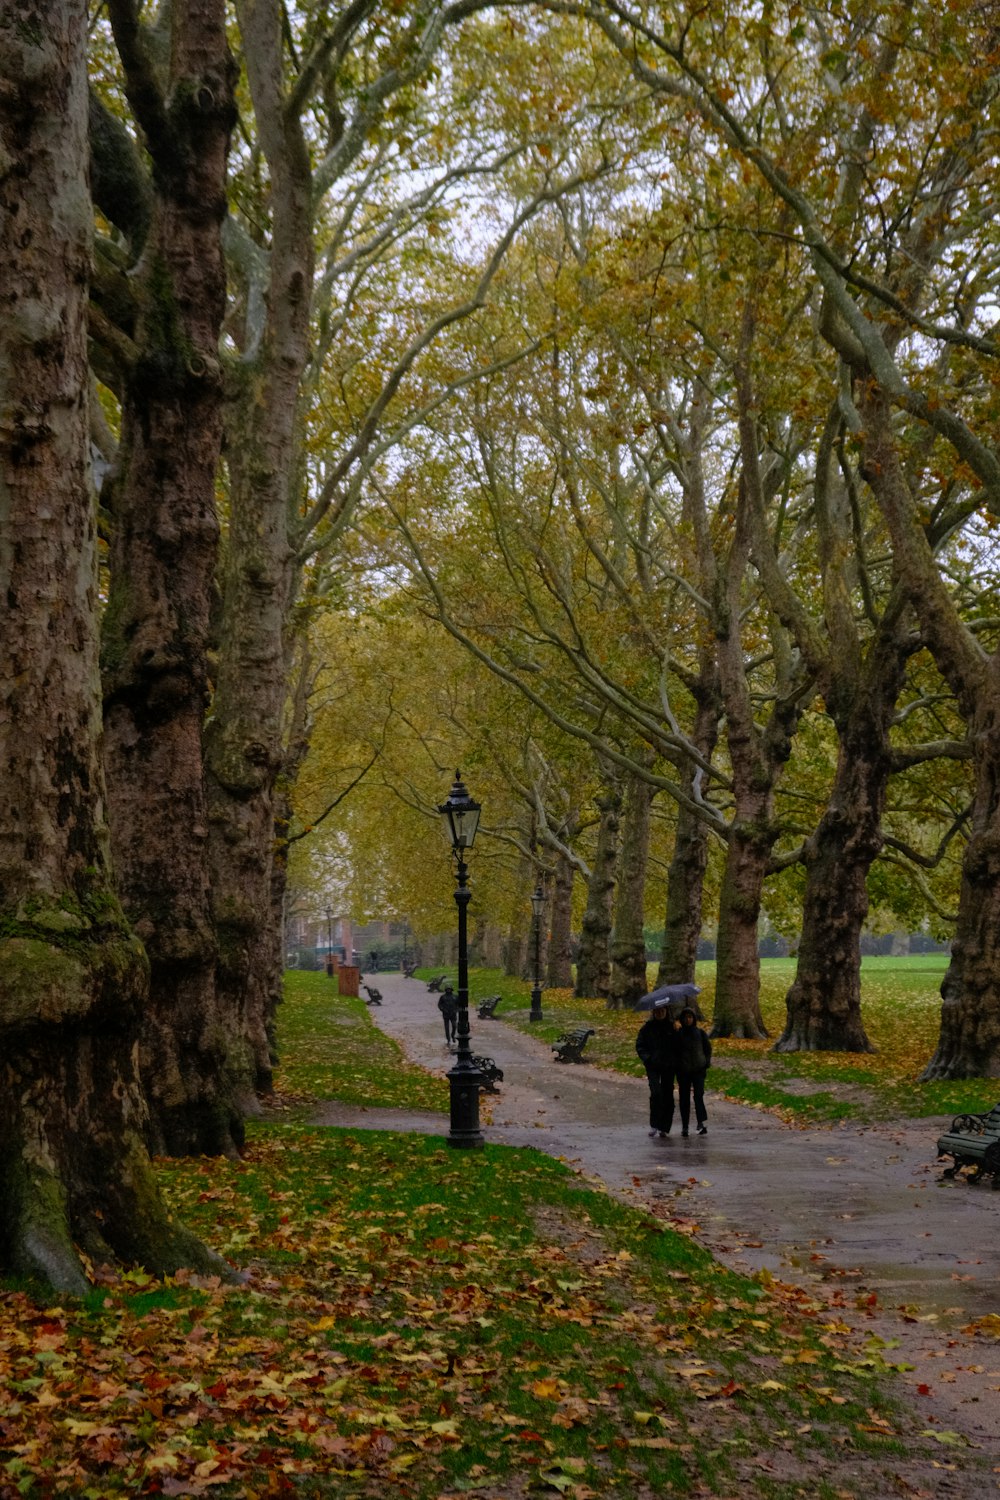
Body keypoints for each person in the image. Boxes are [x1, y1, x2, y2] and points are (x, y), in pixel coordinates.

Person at [635, 997, 679, 1138]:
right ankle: (654, 1124)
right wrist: (647, 1059)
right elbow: (640, 1045)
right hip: (653, 1065)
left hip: (668, 1066)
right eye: (657, 1011)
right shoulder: (647, 1028)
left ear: (666, 1011)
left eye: (662, 1010)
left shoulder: (672, 1027)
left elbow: (681, 1045)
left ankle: (664, 1126)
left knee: (667, 1094)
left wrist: (679, 1030)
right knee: (656, 1093)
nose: (660, 1013)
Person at [676, 1005, 712, 1137]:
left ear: (694, 1019)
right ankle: (685, 1125)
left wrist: (706, 1063)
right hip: (683, 1071)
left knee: (698, 1096)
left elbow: (707, 1049)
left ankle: (700, 1122)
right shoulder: (678, 1034)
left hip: (698, 1070)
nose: (687, 1020)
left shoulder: (700, 1033)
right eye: (685, 1018)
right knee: (684, 1098)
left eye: (690, 1017)